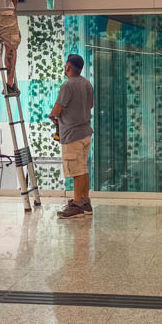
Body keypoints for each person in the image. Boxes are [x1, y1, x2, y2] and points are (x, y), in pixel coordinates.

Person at [50, 54, 94, 219]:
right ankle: (85, 201)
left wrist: (52, 115)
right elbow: (90, 105)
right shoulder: (87, 84)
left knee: (76, 170)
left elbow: (57, 109)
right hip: (85, 132)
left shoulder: (67, 86)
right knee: (83, 168)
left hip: (72, 134)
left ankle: (76, 205)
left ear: (68, 67)